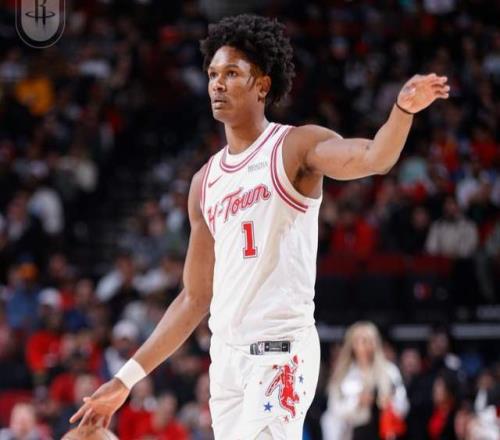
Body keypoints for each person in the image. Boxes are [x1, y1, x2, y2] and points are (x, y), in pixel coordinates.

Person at [70, 14, 449, 439]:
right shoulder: (204, 183)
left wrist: (402, 110)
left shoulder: (294, 147)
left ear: (262, 85)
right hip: (226, 362)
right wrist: (125, 379)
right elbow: (193, 298)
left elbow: (374, 157)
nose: (218, 84)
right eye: (213, 74)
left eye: (232, 73)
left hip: (280, 351)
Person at [320, 322, 409, 440]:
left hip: (382, 431)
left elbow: (403, 405)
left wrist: (389, 402)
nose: (365, 345)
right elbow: (333, 410)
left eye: (369, 340)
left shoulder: (390, 371)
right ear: (351, 344)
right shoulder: (343, 374)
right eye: (360, 340)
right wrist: (357, 401)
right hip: (352, 432)